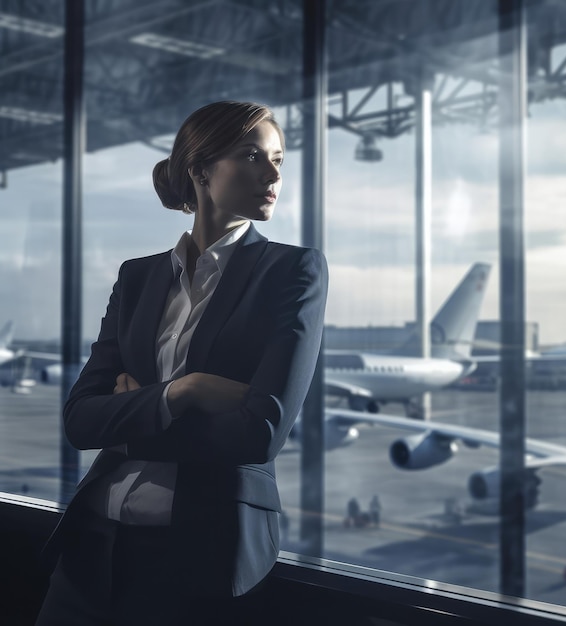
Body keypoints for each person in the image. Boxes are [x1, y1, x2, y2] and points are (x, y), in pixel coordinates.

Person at [35, 101, 328, 625]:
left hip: (199, 559)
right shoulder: (137, 278)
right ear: (199, 170)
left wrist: (128, 422)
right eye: (252, 155)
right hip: (89, 553)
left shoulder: (293, 271)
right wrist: (182, 393)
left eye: (279, 158)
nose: (275, 172)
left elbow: (259, 433)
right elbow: (80, 420)